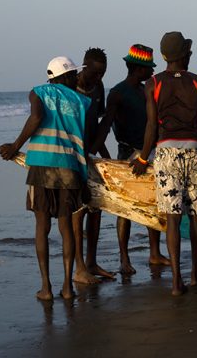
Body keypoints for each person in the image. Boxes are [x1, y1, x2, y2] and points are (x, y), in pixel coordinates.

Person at [0, 56, 92, 301]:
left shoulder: (38, 92)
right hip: (70, 167)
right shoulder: (82, 101)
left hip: (41, 165)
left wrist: (16, 145)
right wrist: (84, 177)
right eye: (74, 75)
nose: (77, 79)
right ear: (67, 77)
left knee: (42, 227)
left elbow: (37, 117)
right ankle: (68, 288)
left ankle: (46, 288)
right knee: (65, 228)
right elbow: (85, 140)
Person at [131, 32, 197, 296]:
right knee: (196, 215)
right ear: (185, 55)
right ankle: (196, 274)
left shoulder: (152, 84)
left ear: (165, 56)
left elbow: (152, 126)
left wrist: (143, 158)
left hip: (166, 154)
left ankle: (177, 281)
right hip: (195, 151)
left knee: (173, 218)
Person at [91, 44, 170, 274]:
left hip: (150, 153)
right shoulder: (118, 93)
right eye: (149, 68)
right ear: (138, 68)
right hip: (128, 155)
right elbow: (106, 125)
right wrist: (100, 155)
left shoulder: (148, 89)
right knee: (124, 208)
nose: (152, 72)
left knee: (153, 204)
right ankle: (124, 258)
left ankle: (155, 253)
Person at [72, 47, 116, 283]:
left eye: (103, 73)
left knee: (96, 209)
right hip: (72, 156)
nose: (100, 78)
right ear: (84, 67)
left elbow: (97, 126)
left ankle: (92, 261)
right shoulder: (70, 87)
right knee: (78, 211)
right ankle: (80, 269)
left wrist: (106, 158)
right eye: (96, 73)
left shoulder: (98, 88)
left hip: (90, 154)